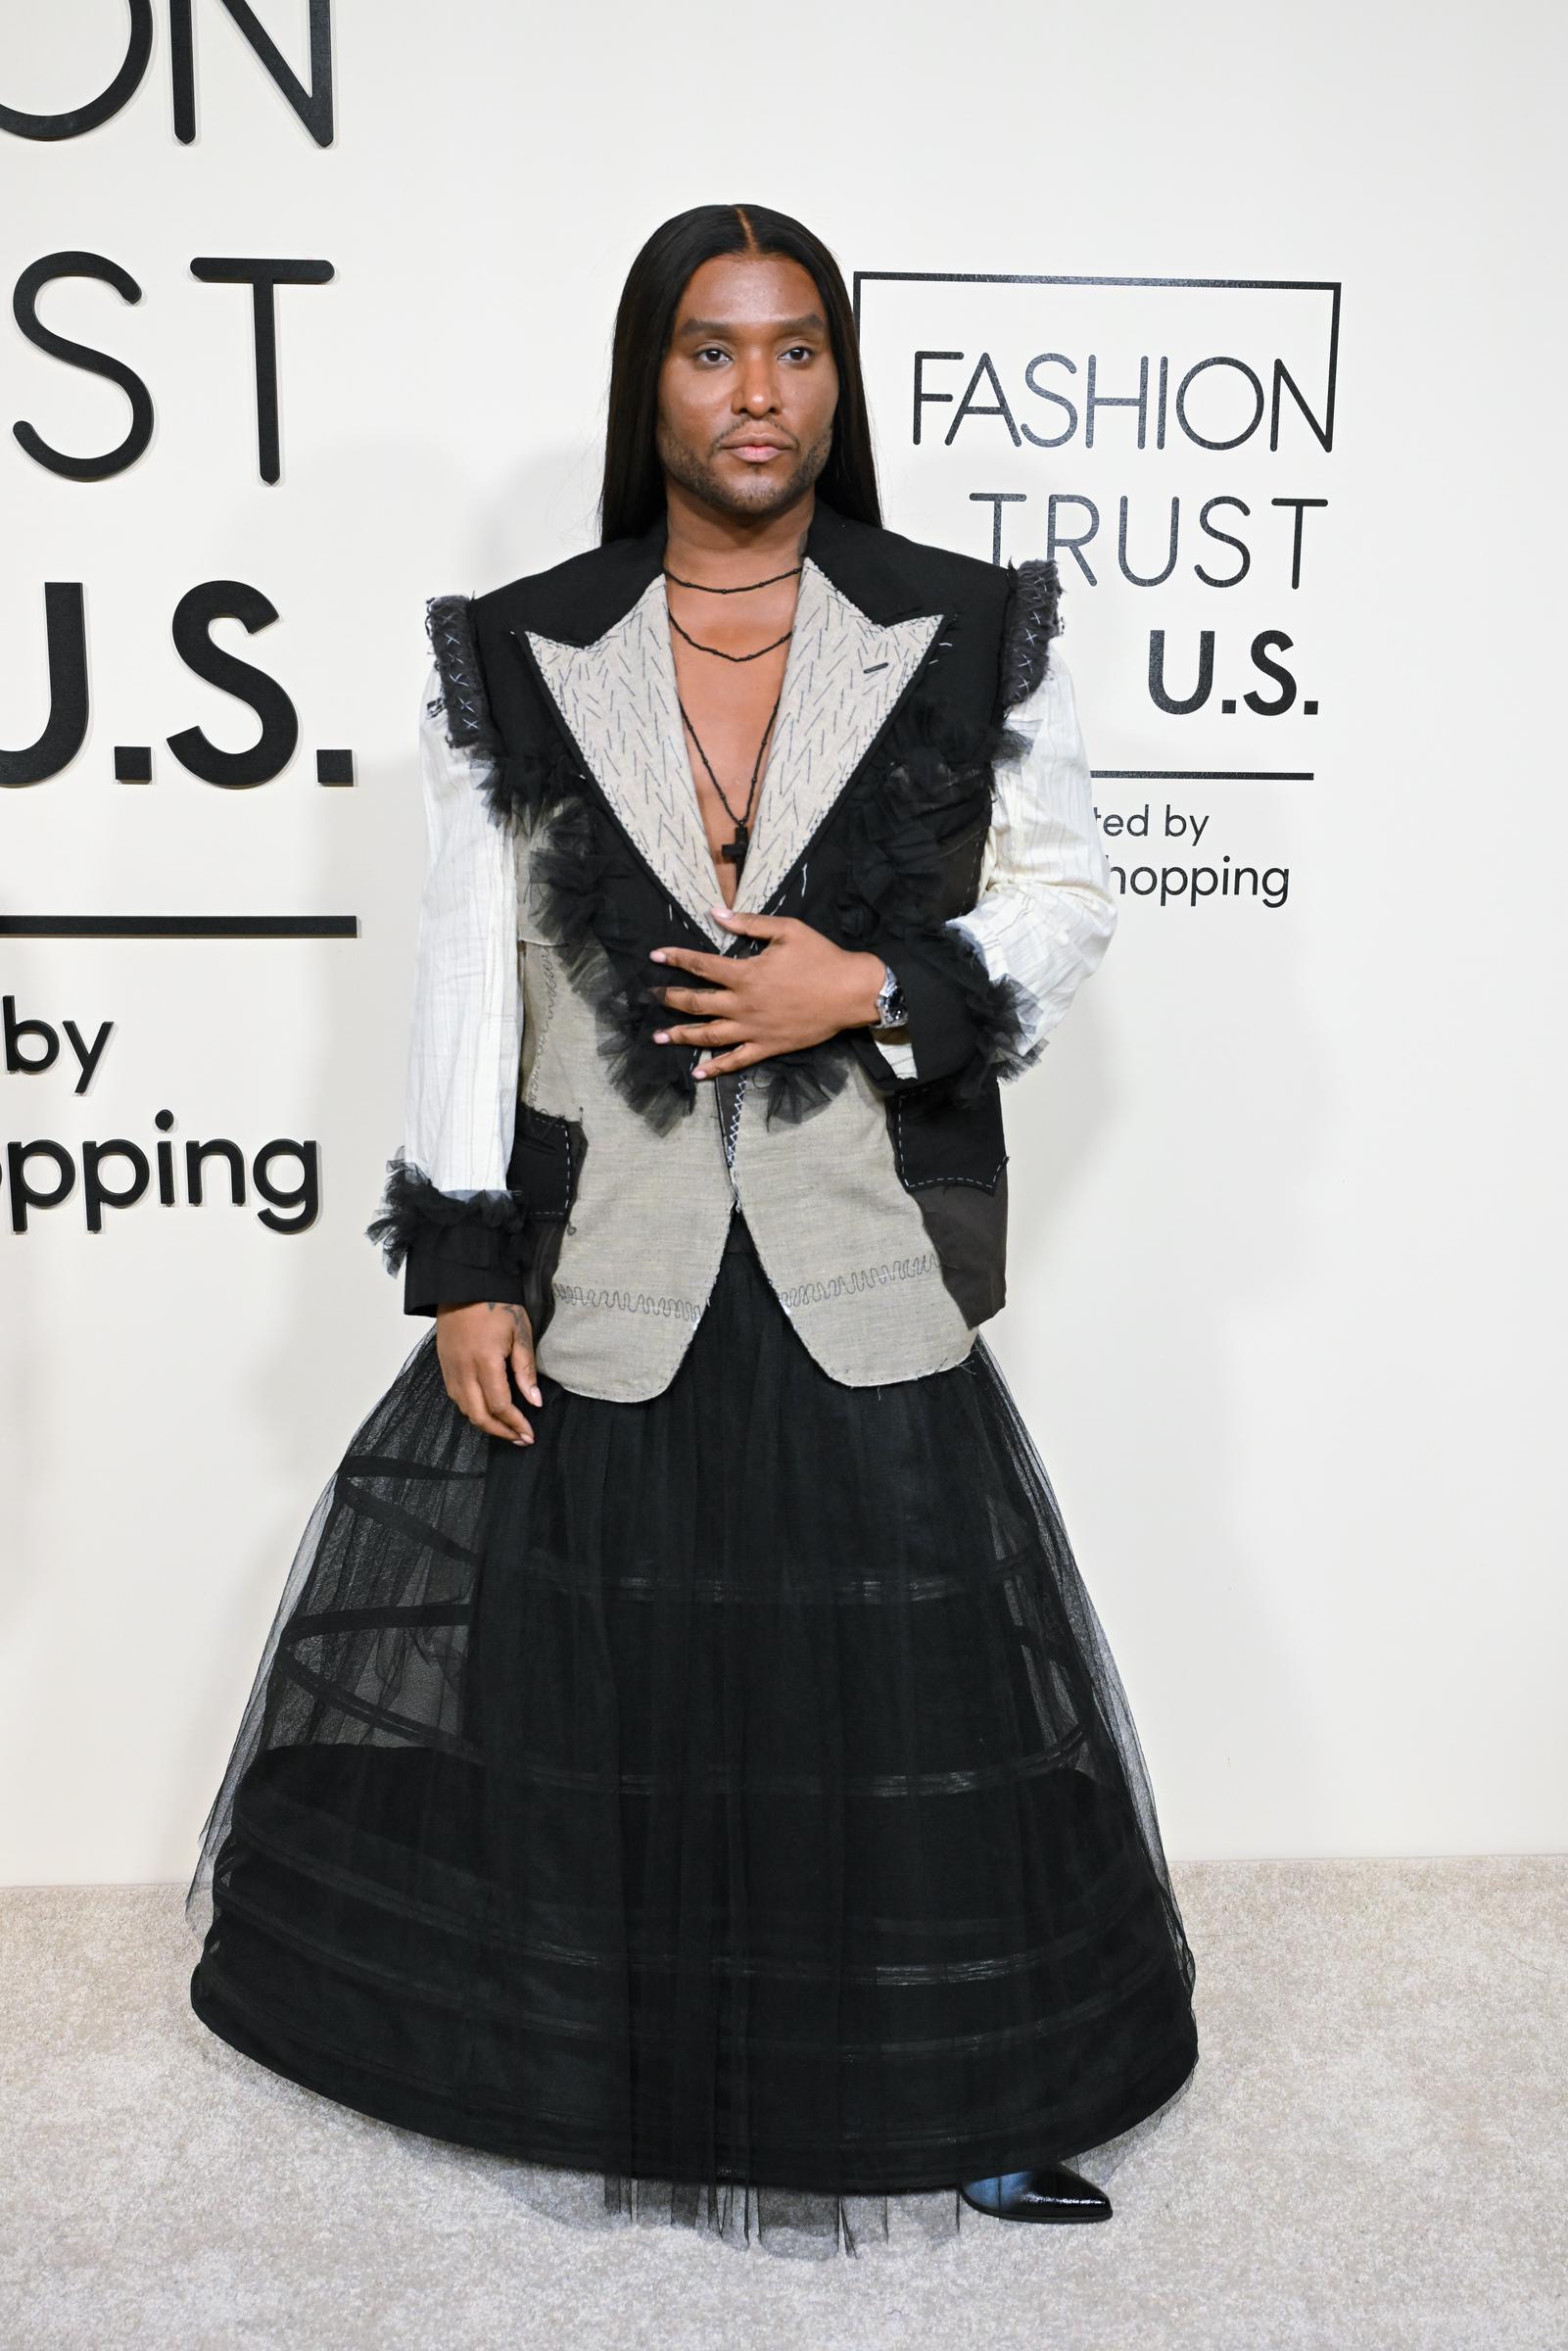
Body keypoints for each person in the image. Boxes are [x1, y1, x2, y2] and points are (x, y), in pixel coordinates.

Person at [185, 201, 1199, 2260]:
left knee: (904, 1686)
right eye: (715, 350)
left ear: (840, 373)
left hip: (854, 1255)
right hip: (604, 1271)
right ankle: (583, 2064)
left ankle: (964, 2093)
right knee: (603, 1684)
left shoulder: (974, 625)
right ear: (650, 377)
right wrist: (463, 1262)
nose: (761, 392)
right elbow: (470, 967)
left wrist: (879, 990)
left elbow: (1074, 894)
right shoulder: (516, 638)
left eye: (799, 347)